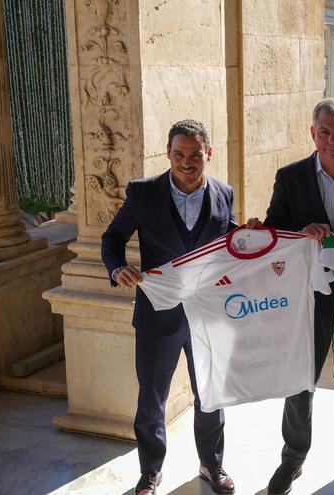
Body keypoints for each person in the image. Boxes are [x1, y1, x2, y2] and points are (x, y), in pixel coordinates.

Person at [246, 98, 334, 495]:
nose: (332, 139)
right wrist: (298, 232)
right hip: (307, 295)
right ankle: (292, 459)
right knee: (299, 380)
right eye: (325, 131)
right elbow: (274, 231)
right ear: (313, 134)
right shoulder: (290, 177)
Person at [101, 120, 238, 495]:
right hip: (157, 316)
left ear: (208, 154)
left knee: (210, 396)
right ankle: (149, 473)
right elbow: (112, 238)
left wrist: (250, 237)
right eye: (179, 154)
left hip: (208, 317)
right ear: (168, 154)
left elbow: (232, 241)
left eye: (195, 154)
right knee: (151, 401)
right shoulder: (143, 193)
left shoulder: (224, 194)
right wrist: (117, 268)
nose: (187, 162)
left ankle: (212, 464)